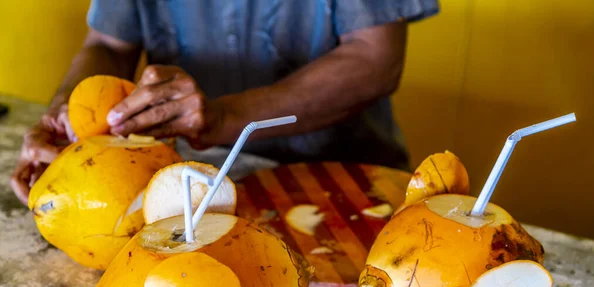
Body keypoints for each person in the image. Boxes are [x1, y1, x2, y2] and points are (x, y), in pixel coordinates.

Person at [10, 0, 439, 205]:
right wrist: (67, 114)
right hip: (188, 186)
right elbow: (107, 42)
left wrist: (224, 116)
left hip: (342, 181)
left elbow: (375, 59)